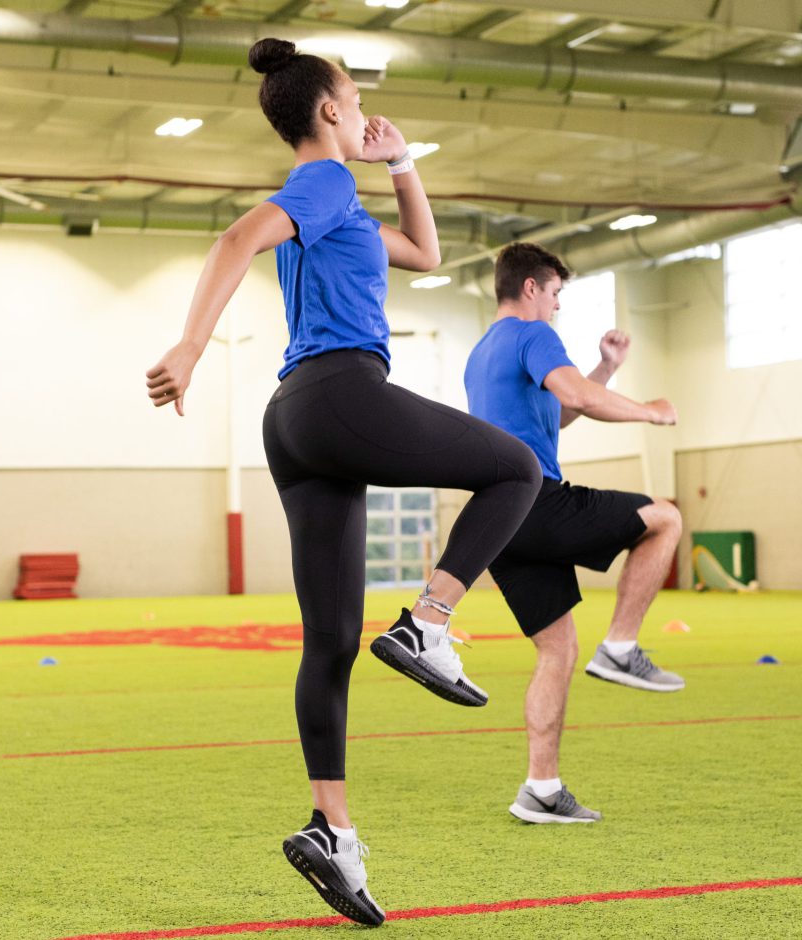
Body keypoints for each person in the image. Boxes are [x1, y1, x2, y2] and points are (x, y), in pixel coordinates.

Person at [146, 38, 542, 924]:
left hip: (295, 421)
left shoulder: (342, 210)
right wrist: (190, 344)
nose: (364, 113)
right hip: (337, 391)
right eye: (356, 100)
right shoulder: (322, 183)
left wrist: (401, 162)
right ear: (328, 112)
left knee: (328, 642)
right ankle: (428, 622)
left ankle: (334, 832)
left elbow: (428, 253)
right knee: (516, 468)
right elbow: (237, 236)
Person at [463, 242, 685, 826]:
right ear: (531, 288)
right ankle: (622, 646)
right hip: (537, 501)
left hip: (497, 524)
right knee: (665, 518)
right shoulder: (535, 335)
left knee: (557, 650)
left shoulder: (483, 352)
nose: (558, 306)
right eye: (557, 293)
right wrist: (651, 411)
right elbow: (576, 397)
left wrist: (606, 367)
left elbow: (554, 412)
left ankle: (541, 788)